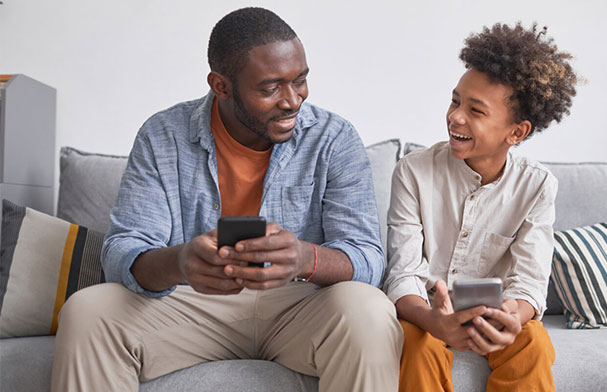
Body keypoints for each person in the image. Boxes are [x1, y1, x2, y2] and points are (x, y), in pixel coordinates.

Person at [51, 7, 402, 391]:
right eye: (270, 88)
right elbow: (123, 251)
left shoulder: (333, 139)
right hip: (192, 305)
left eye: (300, 80)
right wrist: (181, 261)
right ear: (221, 85)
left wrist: (304, 257)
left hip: (301, 307)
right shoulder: (162, 135)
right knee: (87, 311)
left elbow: (367, 259)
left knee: (369, 309)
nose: (292, 100)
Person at [383, 23, 577, 391]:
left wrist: (511, 316)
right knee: (415, 344)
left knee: (533, 343)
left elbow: (530, 281)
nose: (456, 116)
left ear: (515, 133)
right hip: (425, 313)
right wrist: (431, 318)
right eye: (456, 101)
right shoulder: (413, 171)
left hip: (495, 317)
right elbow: (403, 271)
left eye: (476, 110)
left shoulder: (537, 186)